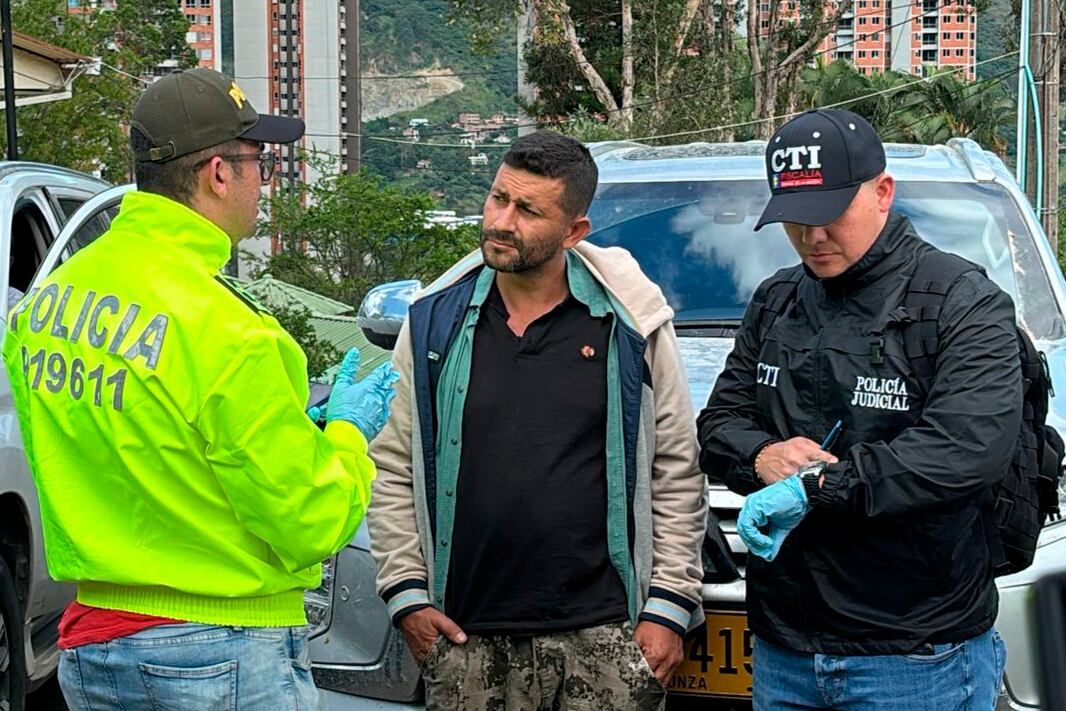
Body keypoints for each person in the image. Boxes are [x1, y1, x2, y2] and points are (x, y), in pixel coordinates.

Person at [1, 68, 398, 709]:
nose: (261, 184)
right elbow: (311, 522)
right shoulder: (230, 329)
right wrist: (347, 435)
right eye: (259, 164)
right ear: (219, 173)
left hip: (92, 642)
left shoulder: (47, 303)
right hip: (216, 651)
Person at [367, 131, 706, 710]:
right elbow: (393, 466)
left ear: (574, 232)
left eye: (528, 210)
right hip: (465, 636)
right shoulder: (435, 323)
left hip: (606, 637)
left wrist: (669, 605)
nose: (502, 221)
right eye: (499, 198)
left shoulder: (630, 325)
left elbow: (674, 467)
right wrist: (406, 597)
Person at [697, 108, 1018, 710]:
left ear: (883, 193)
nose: (812, 237)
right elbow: (716, 425)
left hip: (915, 656)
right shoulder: (776, 301)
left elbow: (963, 451)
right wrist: (763, 454)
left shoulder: (961, 301)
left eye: (830, 217)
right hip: (783, 647)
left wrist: (816, 486)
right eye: (795, 220)